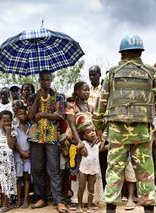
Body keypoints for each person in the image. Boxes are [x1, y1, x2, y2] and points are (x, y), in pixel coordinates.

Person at [92, 35, 156, 213]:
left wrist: (99, 127)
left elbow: (100, 106)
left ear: (122, 53)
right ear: (140, 52)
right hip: (142, 131)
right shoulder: (151, 72)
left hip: (117, 130)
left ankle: (111, 210)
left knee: (114, 171)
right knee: (145, 172)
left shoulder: (113, 73)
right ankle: (148, 210)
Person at [28, 70, 68, 213]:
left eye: (48, 80)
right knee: (37, 169)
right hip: (36, 138)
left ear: (51, 80)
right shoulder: (33, 96)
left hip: (52, 138)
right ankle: (41, 198)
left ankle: (58, 201)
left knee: (54, 170)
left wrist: (43, 114)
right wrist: (38, 100)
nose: (45, 82)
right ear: (39, 81)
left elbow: (61, 115)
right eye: (43, 80)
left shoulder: (59, 96)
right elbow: (31, 116)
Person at [65, 81, 103, 210]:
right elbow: (73, 127)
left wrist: (99, 138)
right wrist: (80, 143)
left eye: (88, 90)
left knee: (92, 173)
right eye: (84, 90)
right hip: (77, 143)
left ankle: (91, 201)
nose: (87, 92)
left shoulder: (91, 107)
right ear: (77, 92)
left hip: (91, 144)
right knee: (78, 174)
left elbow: (96, 125)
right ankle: (77, 201)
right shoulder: (71, 107)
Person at [75, 115, 100, 213]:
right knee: (81, 187)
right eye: (89, 132)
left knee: (91, 188)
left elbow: (104, 147)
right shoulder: (83, 143)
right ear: (84, 136)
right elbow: (77, 153)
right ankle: (79, 205)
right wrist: (78, 148)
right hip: (83, 169)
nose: (93, 132)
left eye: (93, 130)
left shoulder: (98, 143)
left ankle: (89, 206)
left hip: (93, 169)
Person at [13, 106, 31, 208]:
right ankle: (18, 199)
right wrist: (21, 152)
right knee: (19, 178)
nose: (23, 116)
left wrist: (29, 152)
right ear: (16, 115)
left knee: (26, 177)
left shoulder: (30, 126)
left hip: (29, 155)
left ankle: (25, 199)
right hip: (18, 155)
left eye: (24, 114)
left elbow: (33, 140)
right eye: (20, 114)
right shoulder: (15, 126)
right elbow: (14, 141)